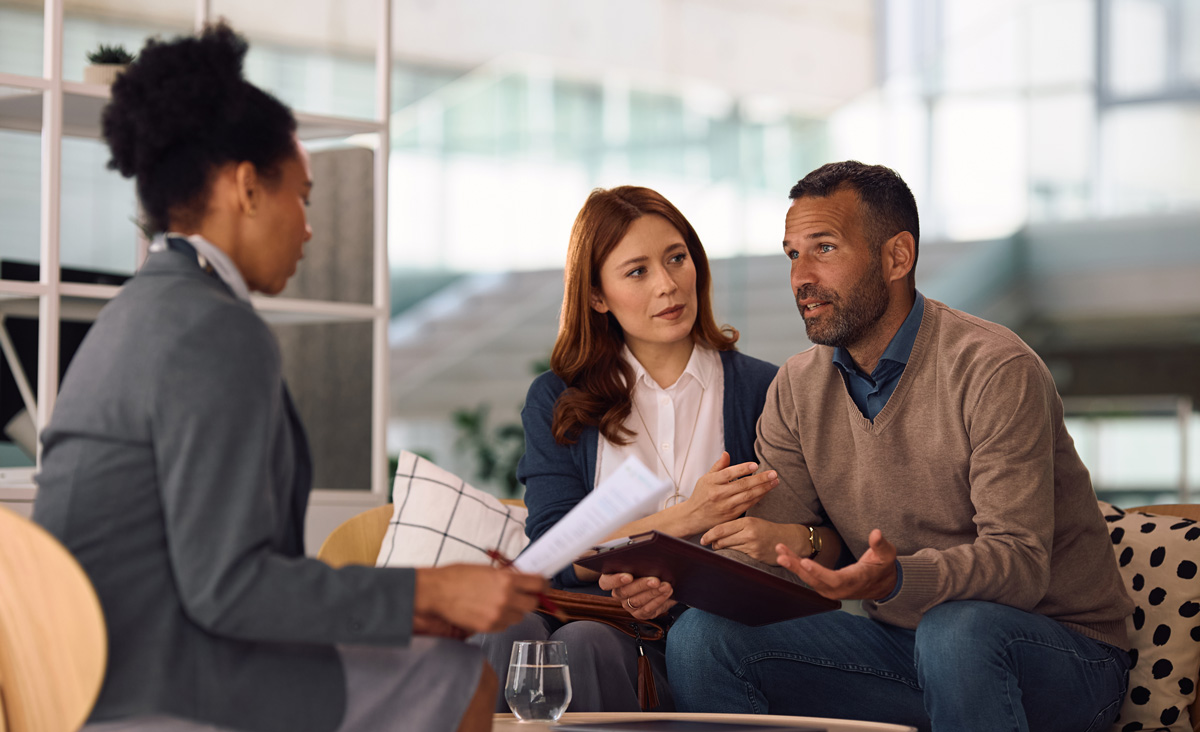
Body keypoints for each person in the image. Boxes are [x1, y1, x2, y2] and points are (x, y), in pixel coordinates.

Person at [32, 24, 545, 732]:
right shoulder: (213, 329)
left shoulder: (146, 307)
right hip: (161, 679)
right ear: (246, 188)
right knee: (460, 679)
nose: (308, 228)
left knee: (424, 653)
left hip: (88, 666)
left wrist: (423, 604)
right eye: (302, 196)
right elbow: (228, 587)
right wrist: (430, 591)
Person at [663, 161, 1135, 732]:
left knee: (955, 631)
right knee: (702, 638)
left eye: (825, 248)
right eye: (792, 254)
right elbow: (779, 555)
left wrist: (897, 579)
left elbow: (1019, 564)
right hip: (906, 649)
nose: (801, 278)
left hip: (1063, 656)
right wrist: (681, 575)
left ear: (897, 257)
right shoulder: (796, 387)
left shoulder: (993, 368)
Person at [476, 186, 780, 712]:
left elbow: (775, 549)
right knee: (515, 629)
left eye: (676, 259)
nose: (667, 285)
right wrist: (687, 517)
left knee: (584, 645)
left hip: (694, 634)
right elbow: (552, 547)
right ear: (597, 296)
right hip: (584, 608)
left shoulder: (762, 391)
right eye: (637, 271)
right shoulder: (556, 396)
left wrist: (674, 578)